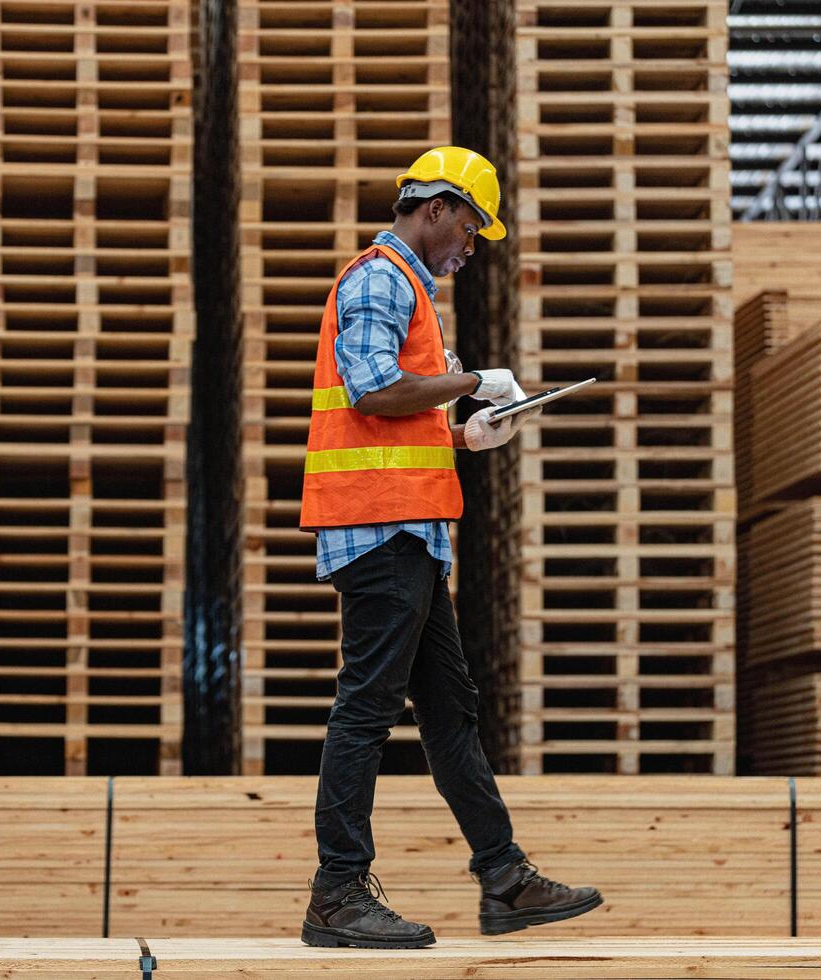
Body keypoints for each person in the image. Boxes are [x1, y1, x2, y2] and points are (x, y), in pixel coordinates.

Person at [297, 146, 602, 947]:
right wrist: (471, 382)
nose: (473, 243)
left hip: (411, 533)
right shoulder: (378, 279)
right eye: (470, 225)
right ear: (434, 208)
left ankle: (504, 879)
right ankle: (337, 894)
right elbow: (369, 389)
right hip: (380, 529)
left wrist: (467, 435)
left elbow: (399, 414)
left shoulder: (413, 296)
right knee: (365, 709)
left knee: (449, 713)